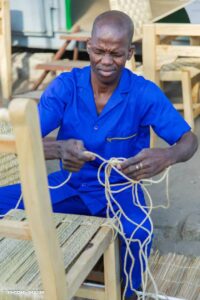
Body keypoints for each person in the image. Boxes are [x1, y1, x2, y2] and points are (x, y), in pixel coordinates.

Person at [0, 10, 198, 300]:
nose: (106, 61)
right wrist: (58, 148)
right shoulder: (66, 87)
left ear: (130, 53)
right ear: (89, 47)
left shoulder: (144, 93)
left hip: (121, 190)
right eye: (100, 51)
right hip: (69, 185)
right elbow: (23, 140)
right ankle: (20, 276)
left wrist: (167, 156)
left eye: (116, 53)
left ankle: (130, 294)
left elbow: (189, 140)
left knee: (138, 234)